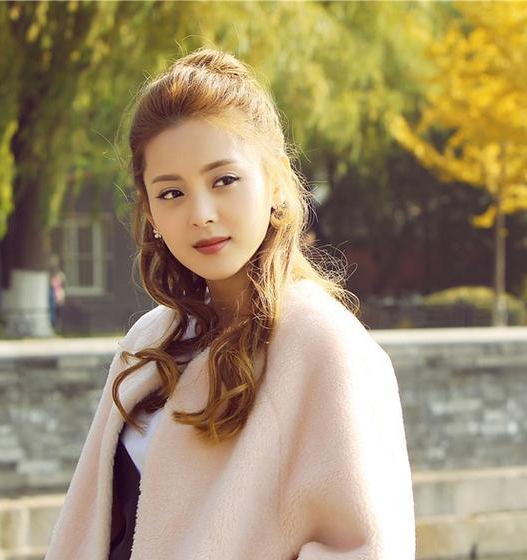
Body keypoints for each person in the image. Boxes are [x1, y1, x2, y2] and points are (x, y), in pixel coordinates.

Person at [45, 48, 415, 560]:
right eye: (171, 193)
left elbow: (367, 547)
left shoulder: (325, 346)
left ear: (276, 182)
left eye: (224, 181)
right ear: (149, 210)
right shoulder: (150, 339)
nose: (200, 213)